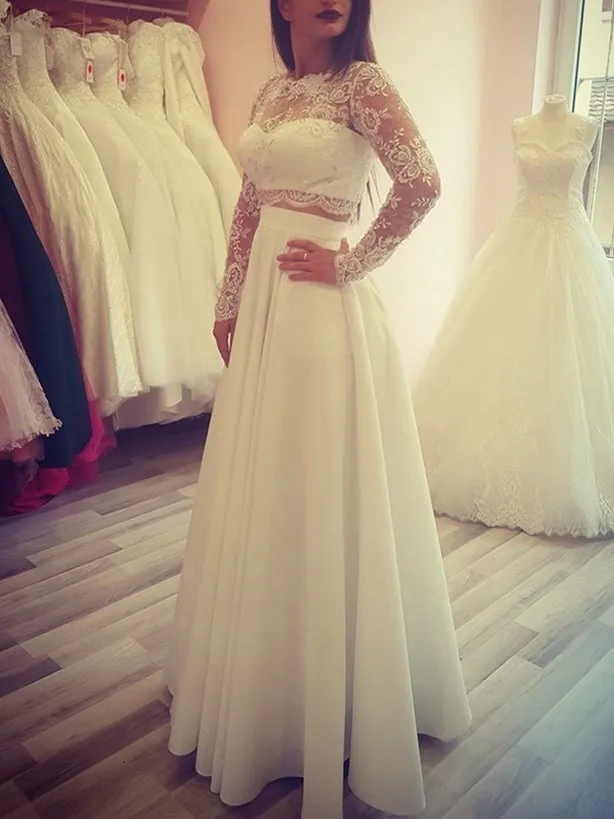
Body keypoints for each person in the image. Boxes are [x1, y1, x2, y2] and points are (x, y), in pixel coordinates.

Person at [165, 2, 471, 817]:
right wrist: (228, 298)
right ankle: (265, 678)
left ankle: (336, 689)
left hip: (320, 307)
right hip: (266, 308)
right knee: (267, 483)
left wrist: (351, 263)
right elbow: (248, 205)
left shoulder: (362, 84)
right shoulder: (271, 95)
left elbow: (423, 182)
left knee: (318, 480)